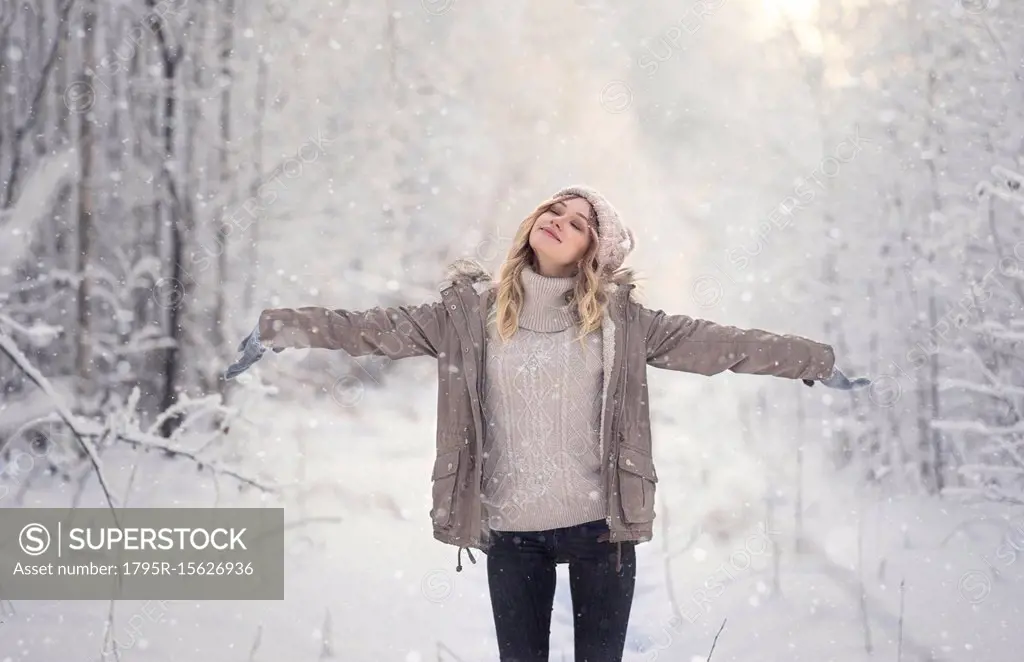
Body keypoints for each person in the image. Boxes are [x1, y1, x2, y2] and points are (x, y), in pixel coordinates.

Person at [225, 185, 869, 661]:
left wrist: (816, 361)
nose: (559, 221)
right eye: (553, 211)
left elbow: (723, 345)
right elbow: (368, 328)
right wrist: (278, 326)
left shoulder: (624, 322)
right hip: (512, 533)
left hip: (600, 530)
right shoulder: (466, 316)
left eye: (579, 221)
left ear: (596, 249)